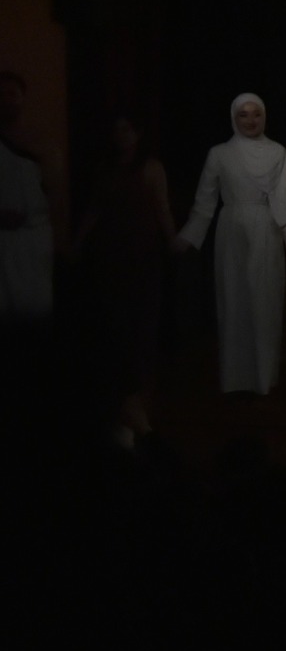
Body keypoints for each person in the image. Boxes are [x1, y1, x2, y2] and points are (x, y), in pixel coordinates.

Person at [176, 93, 286, 395]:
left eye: (256, 114)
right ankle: (235, 379)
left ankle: (263, 378)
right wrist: (187, 236)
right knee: (233, 301)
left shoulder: (277, 153)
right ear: (234, 118)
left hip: (265, 230)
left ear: (264, 117)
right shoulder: (219, 154)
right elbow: (205, 202)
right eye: (243, 115)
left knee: (264, 300)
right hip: (231, 231)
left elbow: (285, 201)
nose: (250, 120)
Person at [78, 113, 176, 434]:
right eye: (116, 130)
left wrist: (173, 241)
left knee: (142, 327)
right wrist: (77, 243)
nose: (121, 135)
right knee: (114, 326)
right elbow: (95, 209)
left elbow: (162, 206)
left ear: (138, 133)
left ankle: (142, 400)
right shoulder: (104, 169)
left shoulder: (150, 168)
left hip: (142, 255)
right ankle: (120, 402)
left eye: (126, 129)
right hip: (110, 256)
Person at [0, 71, 57, 320]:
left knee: (34, 313)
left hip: (33, 236)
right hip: (2, 238)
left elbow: (52, 191)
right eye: (1, 94)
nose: (6, 99)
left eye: (12, 93)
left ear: (23, 98)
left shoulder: (39, 140)